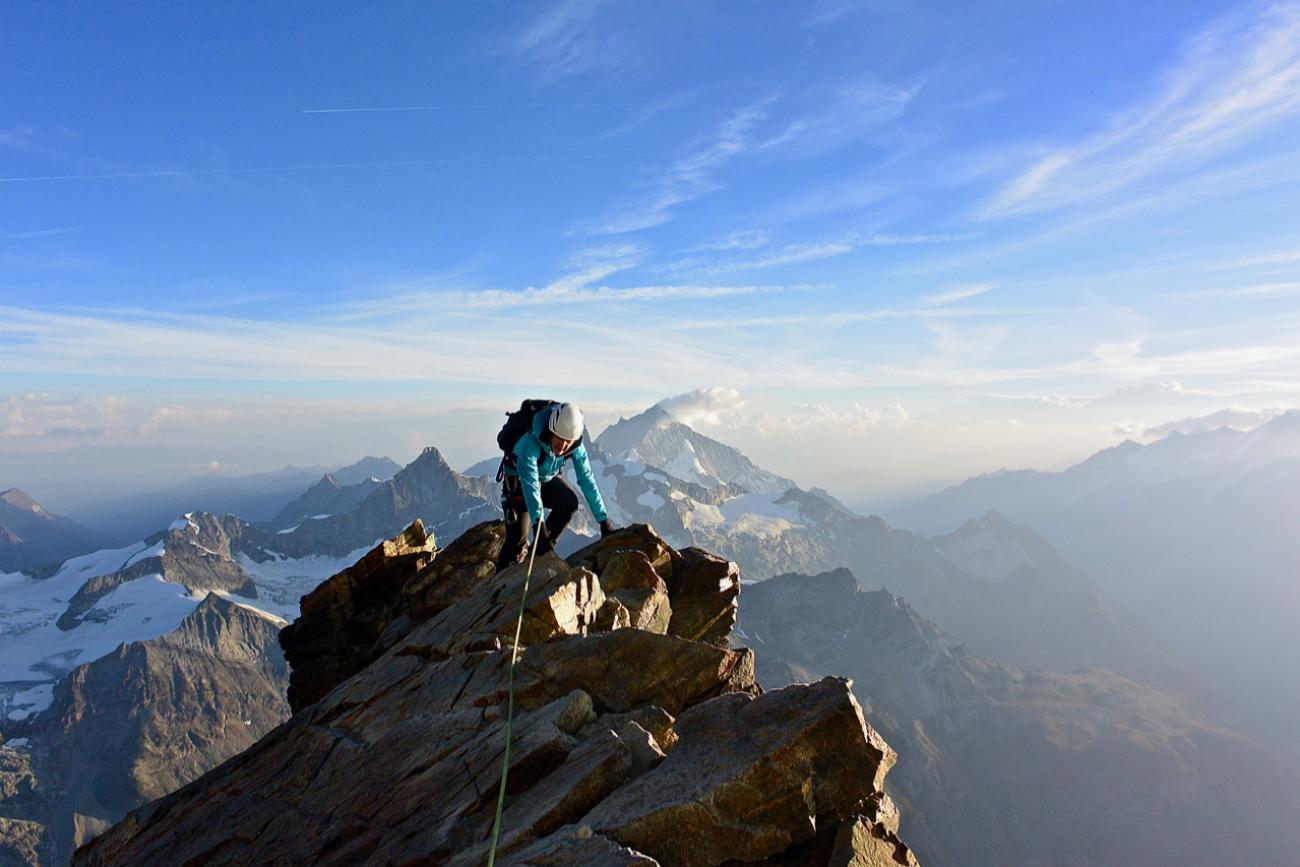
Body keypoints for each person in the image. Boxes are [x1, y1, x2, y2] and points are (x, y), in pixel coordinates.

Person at [496, 402, 614, 571]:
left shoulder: (575, 446)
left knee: (569, 503)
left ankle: (540, 554)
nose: (563, 446)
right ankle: (497, 589)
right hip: (519, 484)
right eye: (559, 439)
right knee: (517, 542)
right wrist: (539, 528)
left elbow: (587, 480)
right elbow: (530, 486)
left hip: (545, 479)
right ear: (551, 431)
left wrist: (604, 521)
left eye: (568, 442)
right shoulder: (529, 443)